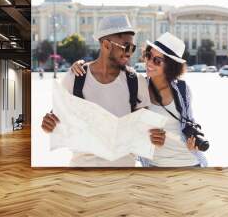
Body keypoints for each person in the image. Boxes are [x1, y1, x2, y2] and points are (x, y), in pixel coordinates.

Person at [41, 15, 166, 167]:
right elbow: (57, 119)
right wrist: (48, 125)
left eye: (132, 48)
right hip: (82, 173)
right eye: (126, 47)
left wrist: (155, 137)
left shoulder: (136, 81)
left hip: (123, 174)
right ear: (106, 45)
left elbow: (146, 129)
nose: (130, 53)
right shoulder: (75, 77)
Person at [70, 32, 207, 167]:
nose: (149, 62)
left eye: (157, 60)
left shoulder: (182, 89)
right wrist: (82, 66)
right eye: (148, 55)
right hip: (153, 167)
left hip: (189, 163)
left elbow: (188, 122)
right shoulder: (136, 85)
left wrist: (193, 139)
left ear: (171, 66)